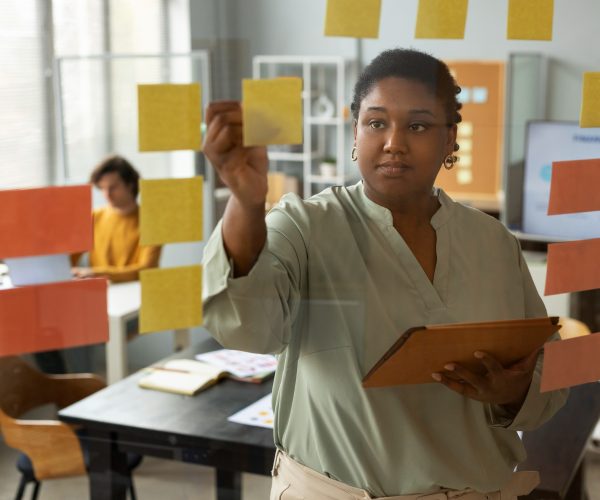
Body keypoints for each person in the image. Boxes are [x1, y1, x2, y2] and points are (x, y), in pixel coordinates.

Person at [201, 49, 567, 499]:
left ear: (450, 139)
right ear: (354, 131)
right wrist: (246, 201)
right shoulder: (303, 226)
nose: (394, 141)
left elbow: (549, 376)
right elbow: (245, 327)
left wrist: (513, 391)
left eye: (417, 125)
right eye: (376, 123)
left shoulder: (492, 243)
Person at [71, 154, 161, 283]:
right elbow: (71, 256)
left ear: (130, 185)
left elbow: (146, 269)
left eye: (113, 187)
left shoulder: (152, 222)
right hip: (99, 291)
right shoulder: (95, 216)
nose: (106, 194)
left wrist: (96, 273)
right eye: (102, 188)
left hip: (136, 293)